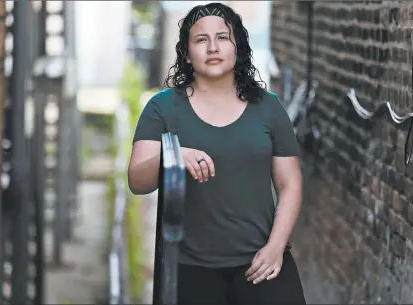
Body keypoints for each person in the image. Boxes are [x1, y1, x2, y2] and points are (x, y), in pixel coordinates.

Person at [128, 2, 305, 304]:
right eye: (201, 40)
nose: (213, 47)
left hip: (261, 264)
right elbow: (137, 181)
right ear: (186, 53)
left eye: (223, 38)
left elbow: (290, 185)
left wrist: (275, 247)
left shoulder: (269, 107)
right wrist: (173, 156)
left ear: (238, 46)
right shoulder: (162, 108)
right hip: (190, 271)